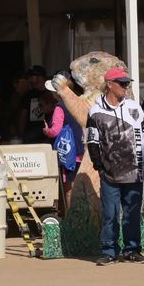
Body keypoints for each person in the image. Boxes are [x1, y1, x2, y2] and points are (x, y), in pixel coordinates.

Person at [86, 67, 144, 266]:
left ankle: (132, 249)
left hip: (134, 169)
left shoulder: (135, 107)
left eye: (127, 83)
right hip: (109, 171)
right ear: (109, 84)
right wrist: (99, 165)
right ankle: (109, 251)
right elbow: (92, 140)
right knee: (110, 213)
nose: (126, 86)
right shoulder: (96, 110)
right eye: (122, 83)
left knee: (132, 212)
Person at [43, 76, 84, 213]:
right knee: (83, 187)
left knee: (69, 188)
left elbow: (55, 131)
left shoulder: (60, 106)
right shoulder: (80, 101)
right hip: (82, 150)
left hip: (69, 153)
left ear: (57, 92)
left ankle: (71, 218)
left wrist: (46, 130)